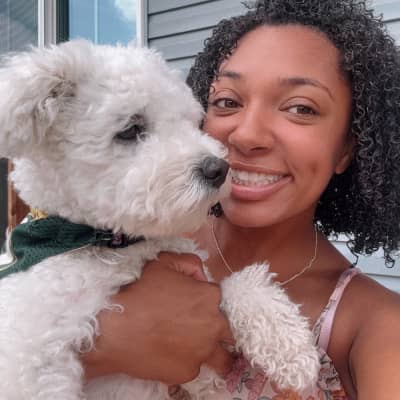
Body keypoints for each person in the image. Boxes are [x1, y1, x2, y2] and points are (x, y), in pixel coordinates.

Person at [82, 0, 400, 398]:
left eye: (300, 108)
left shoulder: (375, 327)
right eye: (228, 102)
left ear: (349, 148)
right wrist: (95, 347)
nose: (247, 136)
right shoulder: (118, 237)